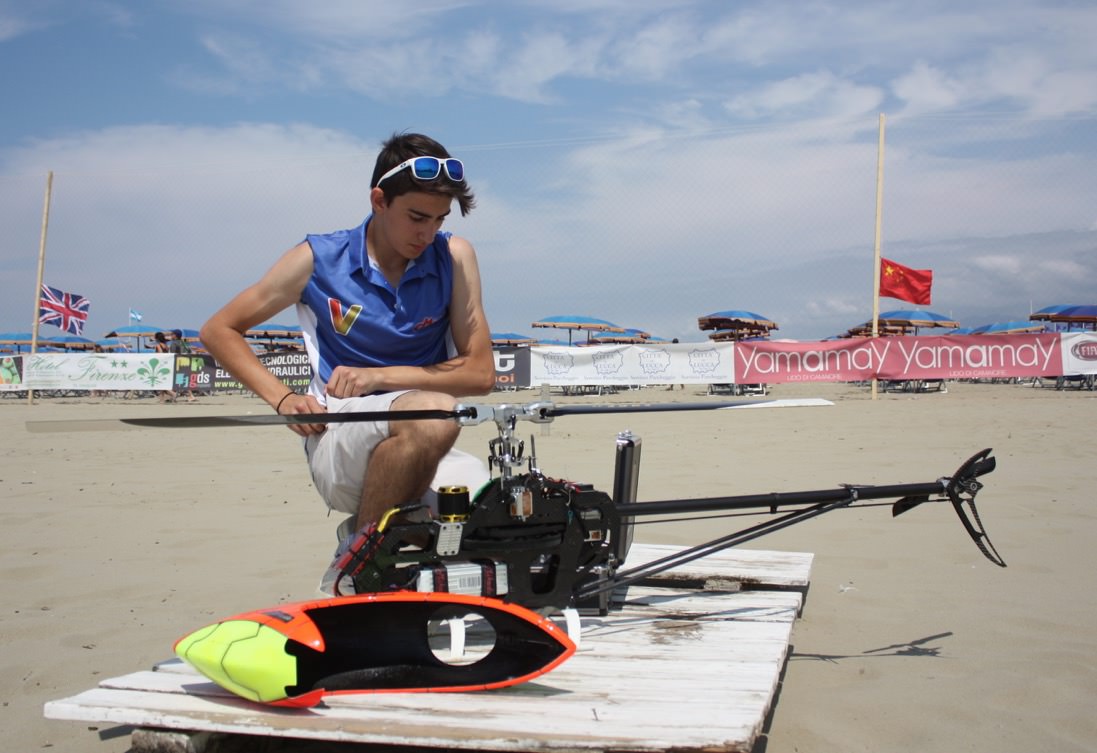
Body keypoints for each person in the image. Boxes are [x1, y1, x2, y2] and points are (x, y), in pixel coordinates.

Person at [200, 132, 496, 589]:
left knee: (487, 506)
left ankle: (370, 538)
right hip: (339, 434)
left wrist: (380, 376)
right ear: (379, 200)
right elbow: (219, 329)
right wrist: (282, 399)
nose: (428, 233)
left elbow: (481, 373)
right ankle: (353, 572)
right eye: (416, 217)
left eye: (438, 220)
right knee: (436, 416)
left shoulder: (455, 257)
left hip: (421, 433)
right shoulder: (317, 259)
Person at [168, 329, 197, 402]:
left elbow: (172, 354)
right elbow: (190, 351)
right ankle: (174, 395)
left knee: (181, 380)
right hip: (186, 362)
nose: (171, 336)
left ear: (175, 335)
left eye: (172, 334)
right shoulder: (184, 343)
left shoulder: (174, 343)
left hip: (179, 363)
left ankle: (190, 395)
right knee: (180, 380)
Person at [153, 332, 176, 403]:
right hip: (166, 364)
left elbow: (160, 354)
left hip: (160, 365)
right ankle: (161, 399)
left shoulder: (158, 345)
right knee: (162, 381)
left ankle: (172, 393)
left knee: (160, 382)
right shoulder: (165, 345)